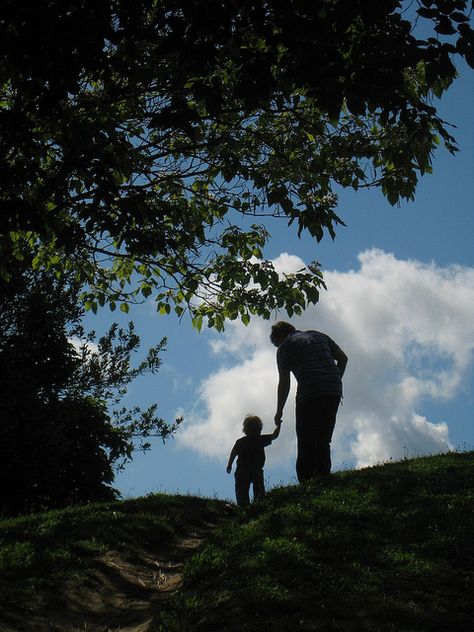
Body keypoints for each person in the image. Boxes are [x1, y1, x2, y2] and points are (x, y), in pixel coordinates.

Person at [270, 321, 348, 482]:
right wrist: (333, 379)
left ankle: (306, 482)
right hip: (333, 390)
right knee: (323, 439)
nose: (278, 347)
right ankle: (323, 478)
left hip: (309, 393)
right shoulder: (319, 335)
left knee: (306, 440)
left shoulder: (285, 346)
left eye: (276, 344)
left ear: (279, 337)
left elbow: (284, 381)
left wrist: (279, 411)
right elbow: (343, 358)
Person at [226, 414, 281, 506]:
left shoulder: (240, 442)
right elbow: (275, 435)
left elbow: (233, 453)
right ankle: (258, 508)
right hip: (256, 469)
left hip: (242, 470)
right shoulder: (260, 439)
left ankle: (243, 509)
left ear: (245, 429)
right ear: (259, 429)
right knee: (259, 493)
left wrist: (229, 464)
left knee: (241, 493)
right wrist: (279, 425)